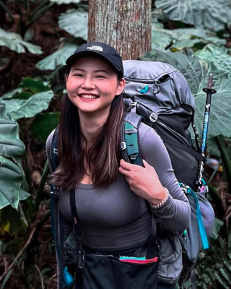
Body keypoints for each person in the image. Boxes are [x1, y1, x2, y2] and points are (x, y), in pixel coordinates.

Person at [46, 42, 199, 289]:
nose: (87, 84)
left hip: (139, 274)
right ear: (67, 81)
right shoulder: (57, 142)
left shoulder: (141, 140)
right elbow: (61, 221)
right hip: (86, 272)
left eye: (100, 76)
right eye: (78, 74)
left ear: (120, 86)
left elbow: (182, 220)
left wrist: (158, 196)